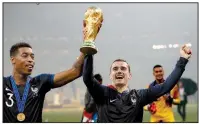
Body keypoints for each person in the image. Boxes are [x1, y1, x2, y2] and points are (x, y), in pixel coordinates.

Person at [82, 44, 191, 122]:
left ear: (130, 75)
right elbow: (87, 78)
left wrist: (183, 59)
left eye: (123, 69)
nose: (119, 71)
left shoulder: (139, 96)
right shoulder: (102, 93)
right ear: (110, 75)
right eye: (115, 68)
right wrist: (89, 51)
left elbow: (166, 87)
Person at [3, 42, 85, 122]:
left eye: (32, 57)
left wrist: (87, 44)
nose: (30, 60)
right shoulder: (3, 84)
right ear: (13, 60)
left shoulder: (40, 82)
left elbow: (75, 72)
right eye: (25, 56)